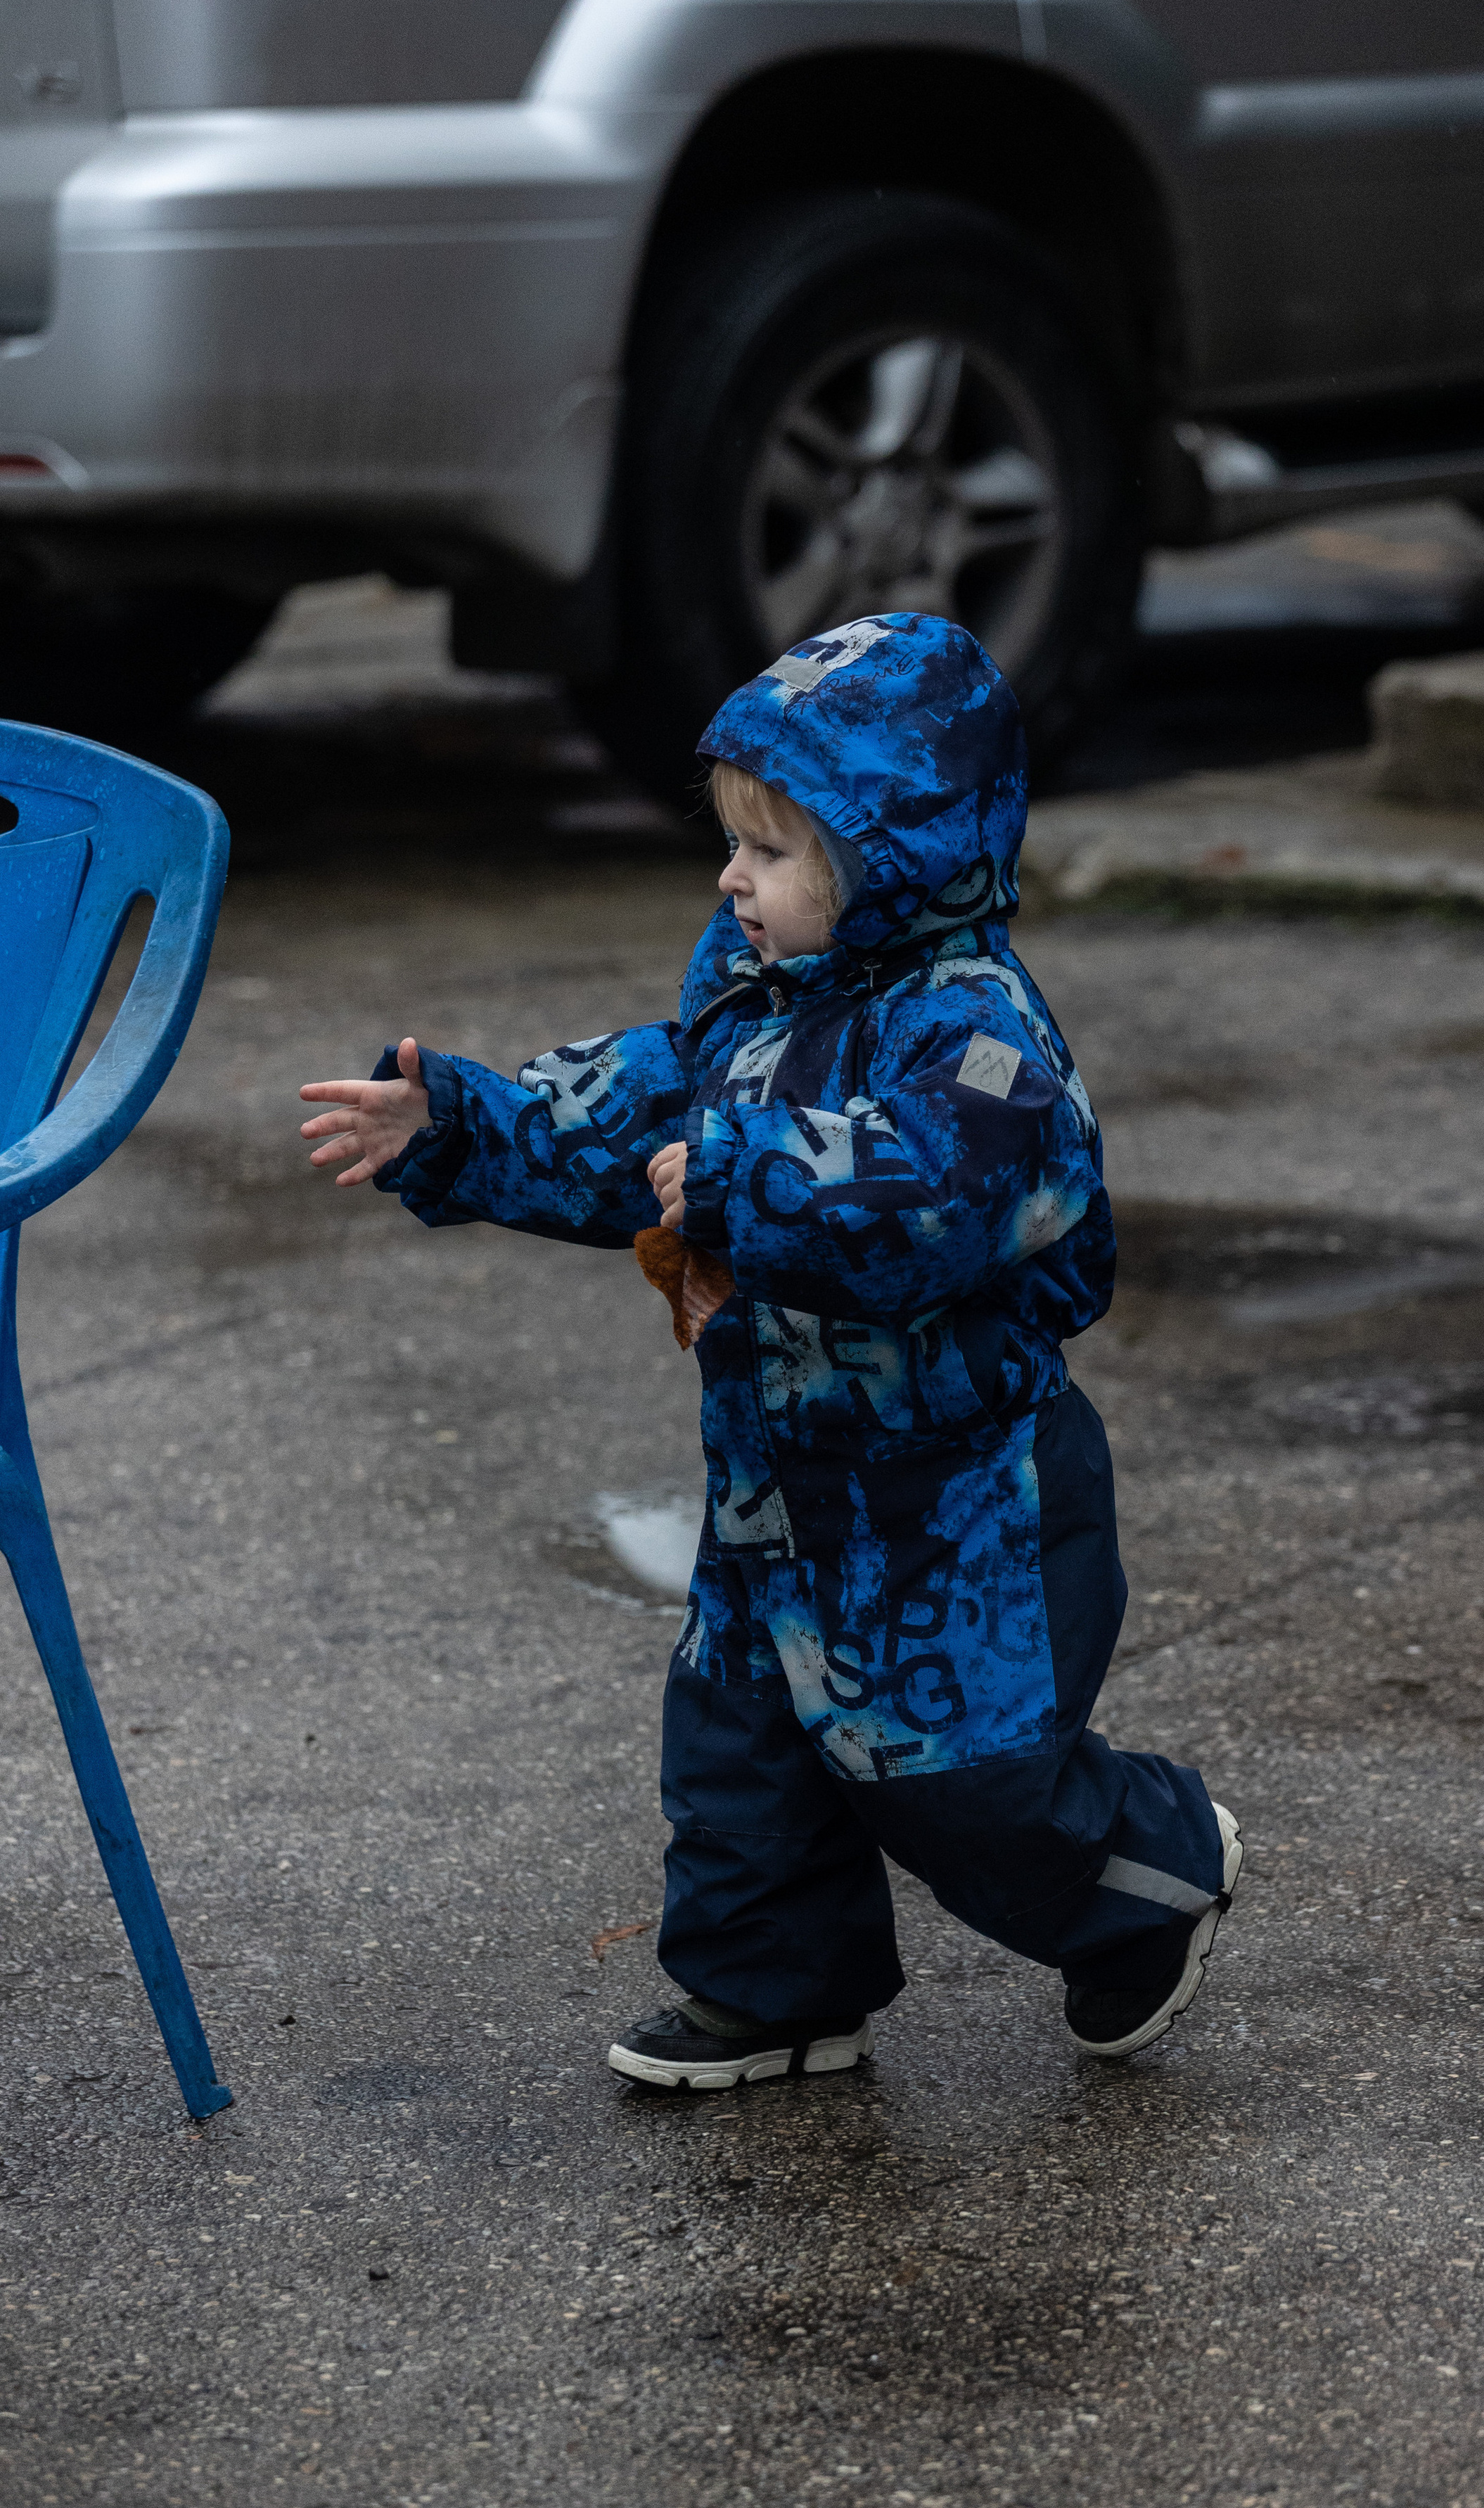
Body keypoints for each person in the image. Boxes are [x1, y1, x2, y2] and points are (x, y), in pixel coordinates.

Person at [299, 613, 1242, 2092]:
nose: (731, 878)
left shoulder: (981, 1047)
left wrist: (747, 1180)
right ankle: (773, 1984)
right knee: (744, 1744)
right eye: (732, 841)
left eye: (773, 850)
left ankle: (1149, 1868)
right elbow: (622, 1116)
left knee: (956, 1780)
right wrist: (462, 1126)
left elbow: (928, 1208)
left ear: (898, 859)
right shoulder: (745, 1007)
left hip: (956, 1501)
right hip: (772, 1482)